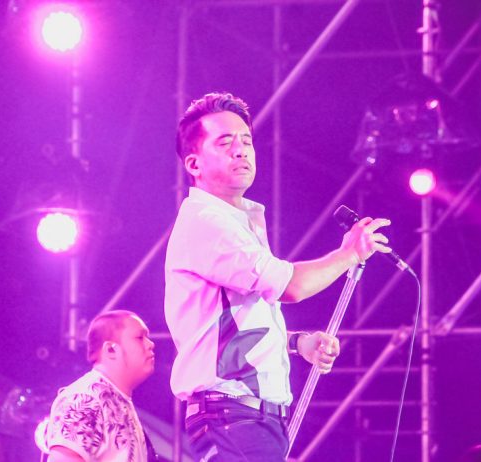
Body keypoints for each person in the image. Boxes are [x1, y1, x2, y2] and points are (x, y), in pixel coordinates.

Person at [164, 92, 392, 461]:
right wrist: (348, 254)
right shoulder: (207, 221)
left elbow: (235, 327)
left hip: (247, 418)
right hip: (233, 416)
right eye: (225, 142)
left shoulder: (234, 222)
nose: (241, 150)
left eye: (246, 140)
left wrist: (299, 342)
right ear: (194, 163)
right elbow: (292, 286)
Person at [44, 310, 158, 462]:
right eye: (139, 337)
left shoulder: (118, 400)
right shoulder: (84, 398)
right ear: (111, 350)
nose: (151, 344)